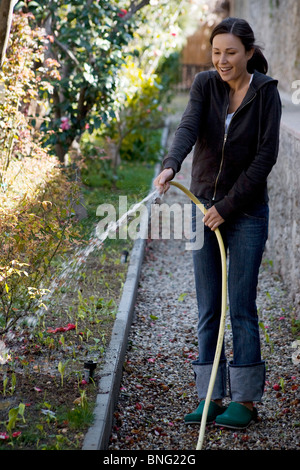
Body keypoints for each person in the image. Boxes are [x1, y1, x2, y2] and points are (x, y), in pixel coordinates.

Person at [154, 17, 281, 429]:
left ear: (248, 52)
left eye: (230, 52)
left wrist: (226, 207)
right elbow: (189, 126)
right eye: (216, 53)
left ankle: (243, 400)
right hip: (201, 206)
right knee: (209, 308)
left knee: (241, 307)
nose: (222, 61)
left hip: (244, 214)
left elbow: (265, 160)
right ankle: (209, 395)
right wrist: (171, 165)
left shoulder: (266, 95)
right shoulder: (205, 85)